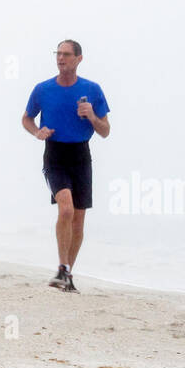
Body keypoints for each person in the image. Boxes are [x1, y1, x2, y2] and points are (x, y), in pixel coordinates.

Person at [21, 39, 110, 293]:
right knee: (67, 210)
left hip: (81, 156)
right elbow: (26, 118)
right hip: (55, 155)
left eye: (67, 54)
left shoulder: (92, 90)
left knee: (79, 220)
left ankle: (67, 273)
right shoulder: (43, 89)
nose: (61, 58)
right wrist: (37, 132)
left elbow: (105, 131)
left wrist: (91, 115)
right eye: (58, 54)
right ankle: (62, 267)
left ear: (79, 59)